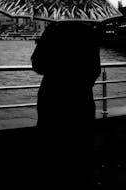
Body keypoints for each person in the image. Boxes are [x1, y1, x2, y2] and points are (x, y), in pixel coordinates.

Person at [31, 21, 101, 187]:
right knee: (80, 146)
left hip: (53, 96)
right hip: (81, 97)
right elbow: (95, 70)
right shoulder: (88, 32)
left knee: (51, 146)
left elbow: (37, 65)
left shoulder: (52, 30)